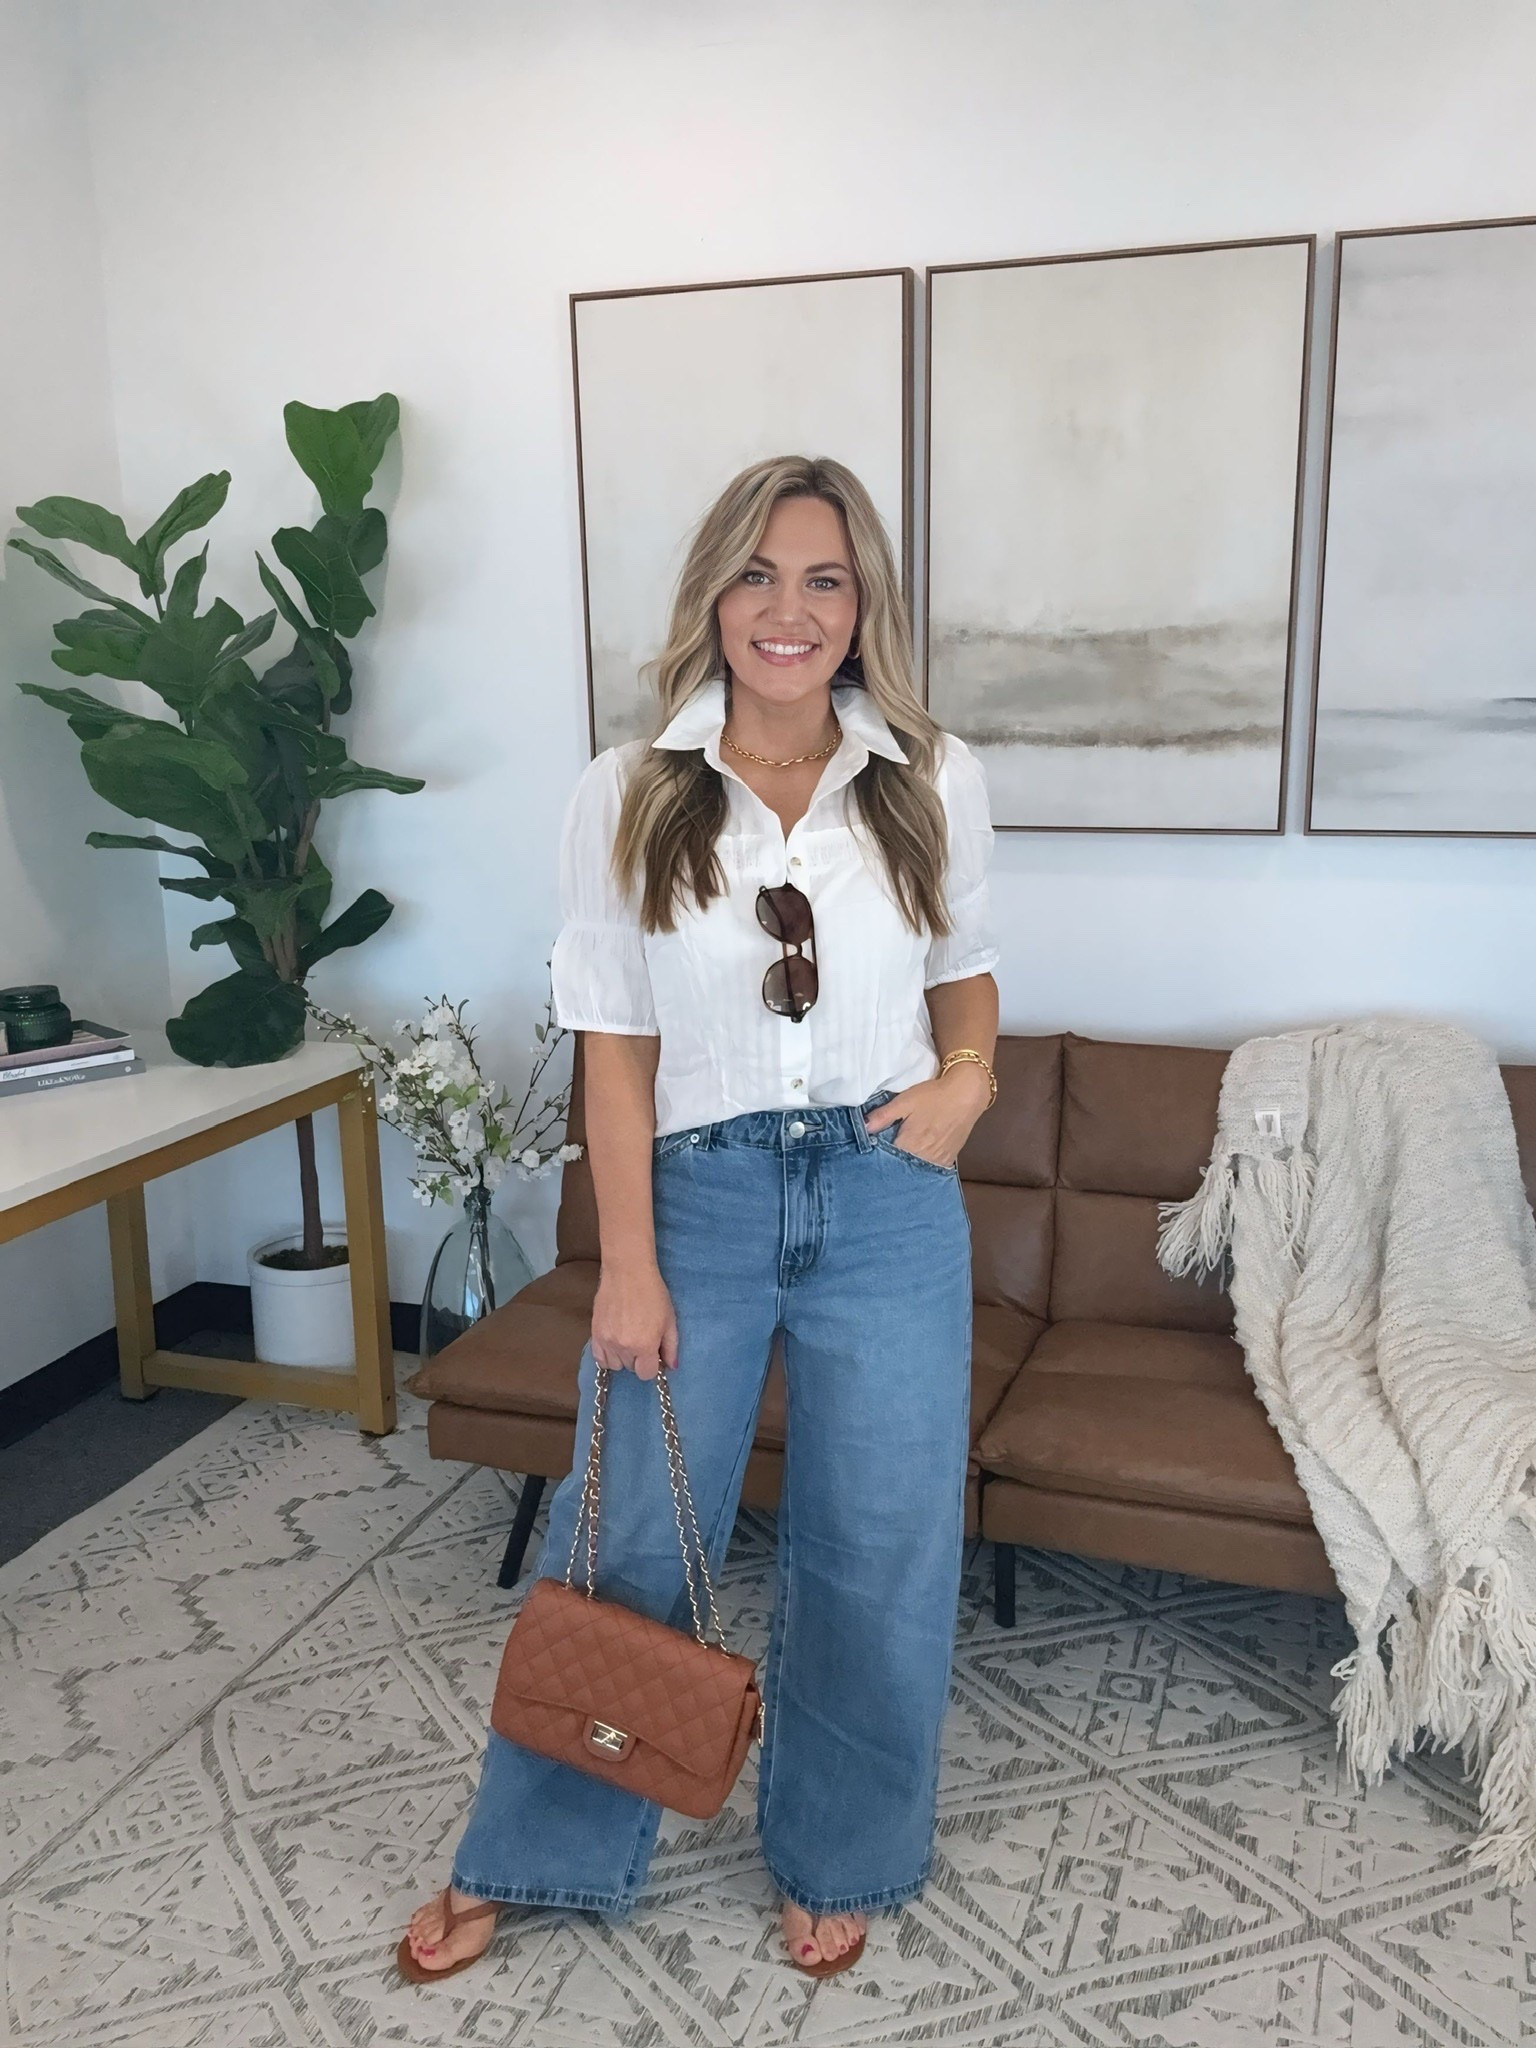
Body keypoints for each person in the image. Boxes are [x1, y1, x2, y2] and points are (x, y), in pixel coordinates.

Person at [401, 453, 1000, 1983]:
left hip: (888, 1203)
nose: (784, 611)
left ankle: (837, 1852)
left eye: (822, 579)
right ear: (713, 596)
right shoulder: (630, 788)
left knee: (878, 1544)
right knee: (632, 1544)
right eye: (756, 575)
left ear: (864, 607)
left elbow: (965, 965)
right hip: (703, 1197)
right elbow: (615, 1044)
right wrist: (628, 1264)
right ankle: (536, 1851)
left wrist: (969, 1083)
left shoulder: (931, 774)